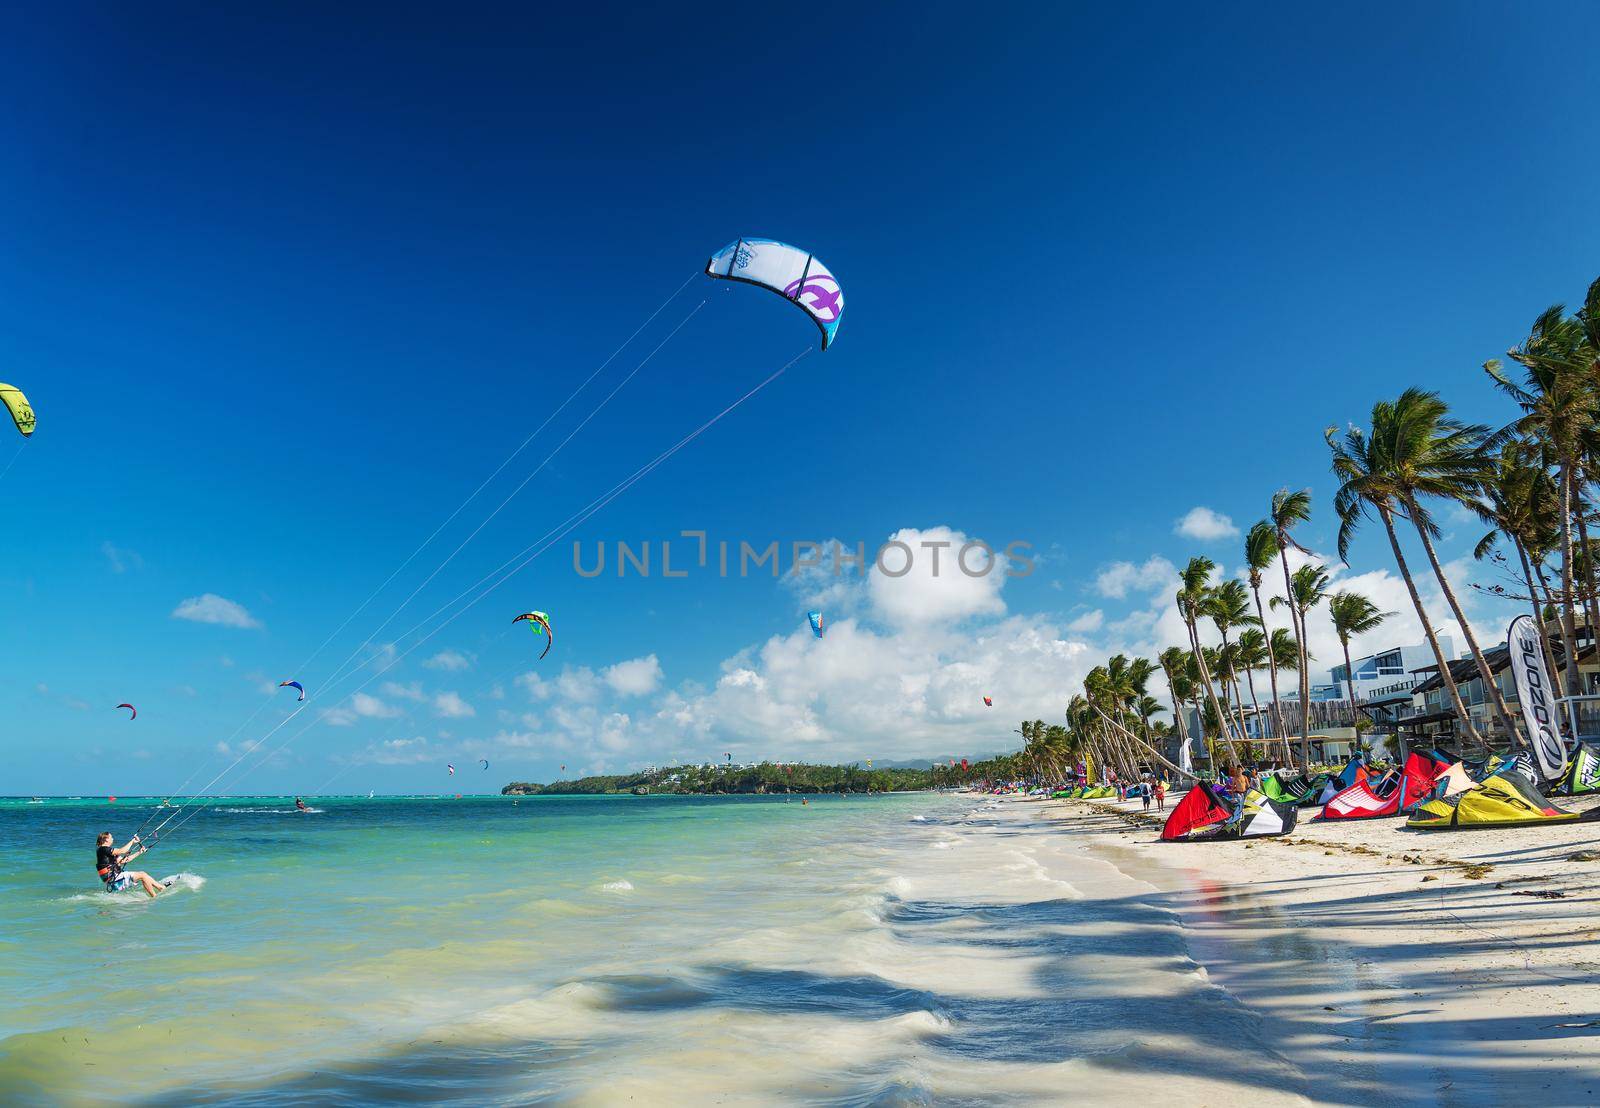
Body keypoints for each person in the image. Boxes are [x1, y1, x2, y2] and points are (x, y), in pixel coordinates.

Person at [95, 831, 162, 897]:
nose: (113, 839)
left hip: (116, 877)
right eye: (111, 837)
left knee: (143, 874)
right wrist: (132, 841)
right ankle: (154, 897)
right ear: (106, 839)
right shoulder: (103, 849)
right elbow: (122, 851)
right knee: (142, 875)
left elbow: (125, 860)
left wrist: (139, 852)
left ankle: (161, 888)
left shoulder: (107, 851)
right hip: (114, 879)